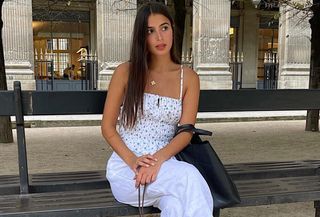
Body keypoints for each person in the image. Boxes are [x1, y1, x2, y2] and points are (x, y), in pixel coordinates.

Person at [101, 2, 213, 216]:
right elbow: (107, 127)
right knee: (190, 177)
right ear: (142, 37)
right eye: (150, 31)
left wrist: (158, 160)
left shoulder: (188, 78)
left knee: (176, 206)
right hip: (127, 168)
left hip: (165, 165)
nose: (159, 38)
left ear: (173, 28)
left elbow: (186, 131)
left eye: (164, 28)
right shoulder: (126, 72)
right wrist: (134, 161)